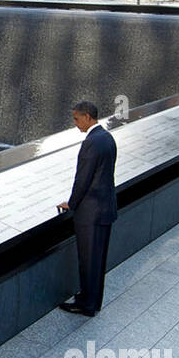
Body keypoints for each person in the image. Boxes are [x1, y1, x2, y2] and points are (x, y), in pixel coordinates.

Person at [57, 101, 118, 316]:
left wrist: (71, 204)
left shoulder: (91, 143)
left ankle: (86, 305)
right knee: (98, 260)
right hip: (105, 209)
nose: (75, 123)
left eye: (76, 118)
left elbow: (82, 179)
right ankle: (93, 300)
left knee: (88, 260)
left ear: (87, 117)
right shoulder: (107, 137)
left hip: (90, 213)